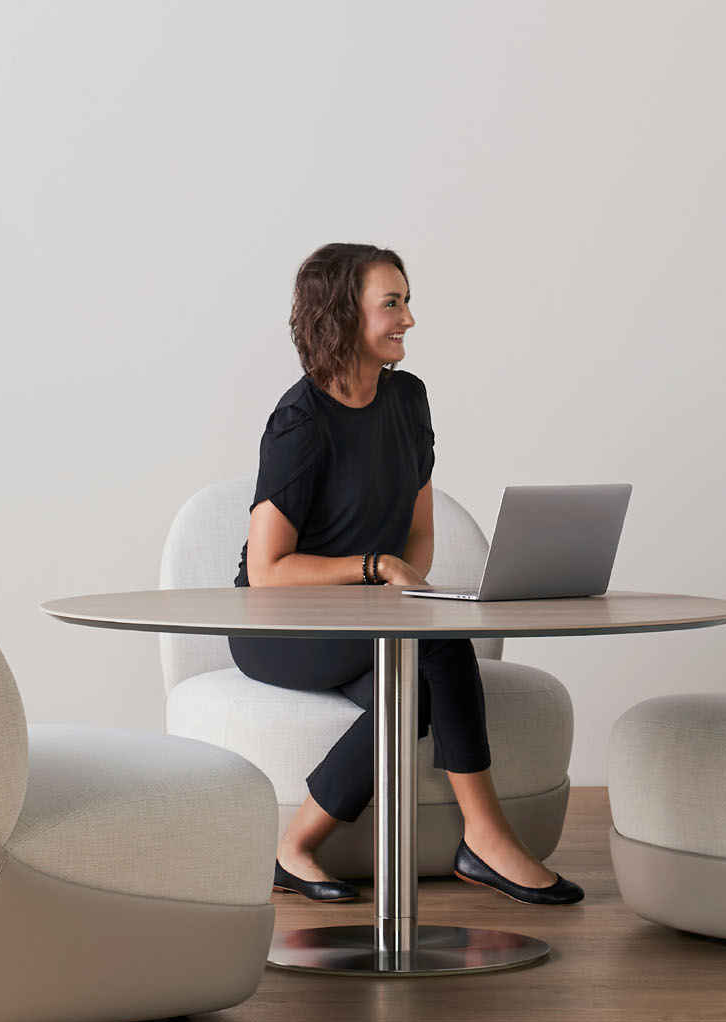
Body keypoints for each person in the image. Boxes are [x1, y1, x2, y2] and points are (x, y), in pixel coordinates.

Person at [229, 243, 583, 907]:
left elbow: (418, 533)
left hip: (364, 617)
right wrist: (373, 570)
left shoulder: (408, 399)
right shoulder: (300, 422)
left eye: (407, 301)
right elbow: (267, 569)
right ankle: (485, 838)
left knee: (413, 687)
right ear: (342, 313)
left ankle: (294, 847)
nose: (409, 319)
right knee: (442, 647)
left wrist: (401, 590)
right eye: (391, 304)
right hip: (279, 625)